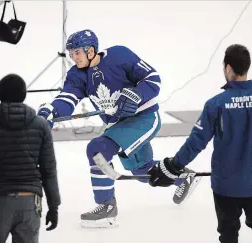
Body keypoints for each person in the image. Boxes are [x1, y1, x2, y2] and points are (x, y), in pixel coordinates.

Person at [37, 29, 199, 228]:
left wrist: (135, 95)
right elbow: (67, 98)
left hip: (144, 118)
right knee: (142, 170)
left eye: (76, 52)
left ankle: (106, 207)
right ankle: (183, 177)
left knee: (98, 149)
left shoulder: (119, 55)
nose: (73, 57)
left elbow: (152, 78)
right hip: (118, 124)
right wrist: (51, 111)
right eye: (70, 53)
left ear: (90, 50)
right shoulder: (77, 75)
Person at [148, 44, 252, 243]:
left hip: (227, 187)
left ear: (227, 67)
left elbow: (197, 142)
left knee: (229, 236)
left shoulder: (216, 104)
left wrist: (173, 166)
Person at [0, 74, 61, 243]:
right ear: (24, 94)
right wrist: (54, 206)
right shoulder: (41, 125)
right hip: (30, 202)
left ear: (0, 95)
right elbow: (49, 170)